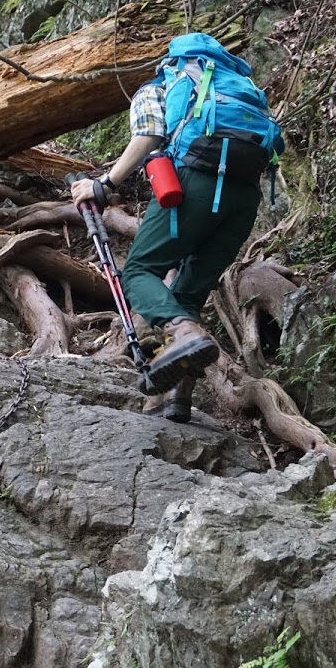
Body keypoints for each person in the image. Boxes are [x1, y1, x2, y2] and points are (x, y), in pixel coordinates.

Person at [70, 78, 266, 424]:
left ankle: (183, 333)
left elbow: (149, 136)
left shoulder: (161, 85)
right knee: (187, 297)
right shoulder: (239, 89)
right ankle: (174, 397)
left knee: (138, 271)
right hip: (244, 198)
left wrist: (103, 185)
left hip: (194, 183)